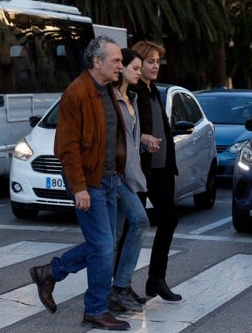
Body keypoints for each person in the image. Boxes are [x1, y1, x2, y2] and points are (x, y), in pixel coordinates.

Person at [29, 36, 130, 331]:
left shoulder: (107, 90)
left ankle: (50, 272)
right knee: (103, 247)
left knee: (104, 246)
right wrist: (79, 187)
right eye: (115, 61)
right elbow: (66, 146)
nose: (120, 66)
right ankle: (95, 309)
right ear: (96, 62)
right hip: (90, 182)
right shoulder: (76, 93)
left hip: (109, 179)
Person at [129, 40, 182, 302]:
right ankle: (122, 285)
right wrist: (143, 137)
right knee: (133, 226)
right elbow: (127, 130)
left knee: (169, 218)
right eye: (150, 61)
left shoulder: (154, 91)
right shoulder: (132, 91)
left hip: (161, 168)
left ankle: (156, 279)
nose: (154, 66)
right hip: (141, 169)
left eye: (157, 61)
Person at [109, 48, 150, 313]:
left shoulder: (130, 99)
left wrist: (144, 141)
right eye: (135, 67)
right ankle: (119, 286)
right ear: (121, 68)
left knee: (114, 237)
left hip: (131, 175)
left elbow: (130, 140)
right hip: (116, 175)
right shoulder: (110, 99)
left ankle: (115, 290)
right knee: (140, 221)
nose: (139, 71)